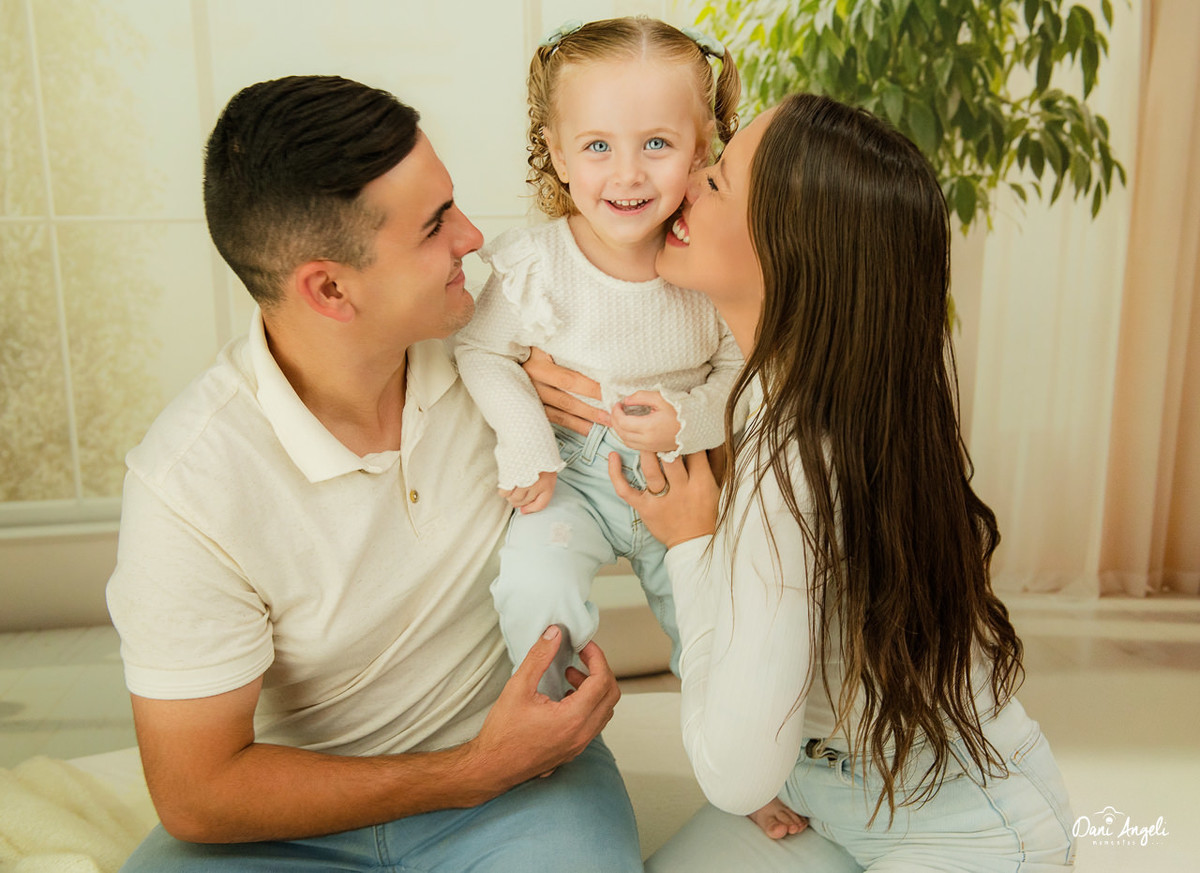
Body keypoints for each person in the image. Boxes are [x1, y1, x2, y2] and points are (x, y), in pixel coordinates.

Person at [104, 75, 641, 872]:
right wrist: (470, 769)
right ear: (328, 288)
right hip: (294, 820)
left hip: (523, 786)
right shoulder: (188, 486)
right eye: (434, 225)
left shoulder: (506, 353)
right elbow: (197, 790)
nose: (472, 237)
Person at [599, 93, 1077, 869]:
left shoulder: (799, 450)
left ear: (792, 250)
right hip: (817, 798)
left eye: (718, 181)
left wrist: (689, 544)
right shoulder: (786, 392)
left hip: (969, 831)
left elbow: (733, 770)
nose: (685, 181)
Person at [454, 17, 744, 701]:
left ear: (701, 148)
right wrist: (526, 443)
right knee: (535, 586)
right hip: (573, 480)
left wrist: (690, 419)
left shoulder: (709, 267)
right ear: (557, 155)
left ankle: (741, 745)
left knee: (721, 619)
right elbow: (481, 350)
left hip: (683, 479)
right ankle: (560, 729)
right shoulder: (536, 264)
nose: (627, 172)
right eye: (597, 146)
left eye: (656, 143)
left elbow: (740, 371)